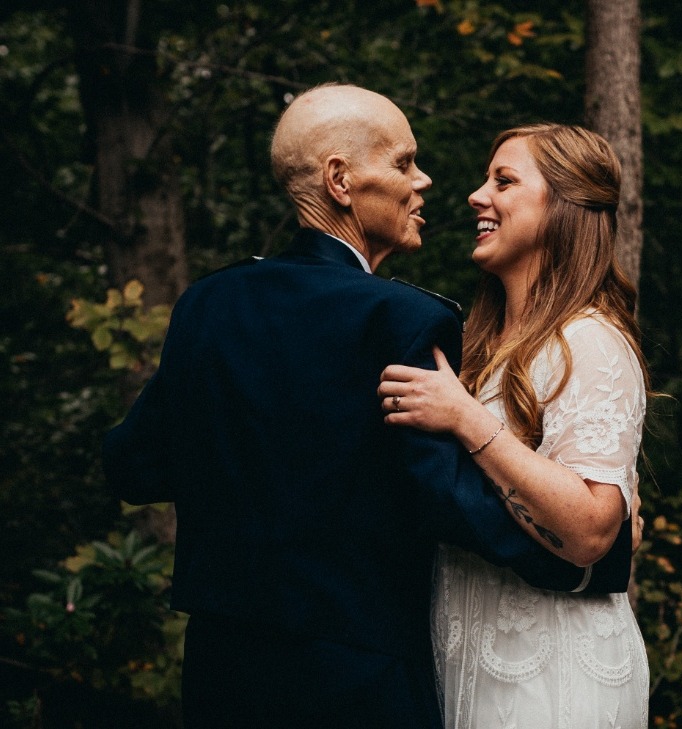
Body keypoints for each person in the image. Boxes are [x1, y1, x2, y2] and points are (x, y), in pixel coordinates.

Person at [101, 85, 629, 728]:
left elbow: (134, 468)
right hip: (358, 675)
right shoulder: (402, 318)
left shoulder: (209, 303)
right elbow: (448, 499)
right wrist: (596, 554)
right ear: (340, 181)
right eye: (404, 163)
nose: (424, 181)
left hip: (221, 667)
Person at [378, 123, 651, 728]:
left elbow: (590, 531)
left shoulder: (590, 341)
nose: (476, 196)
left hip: (553, 669)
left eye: (503, 181)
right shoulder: (478, 348)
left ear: (564, 206)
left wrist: (465, 417)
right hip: (466, 655)